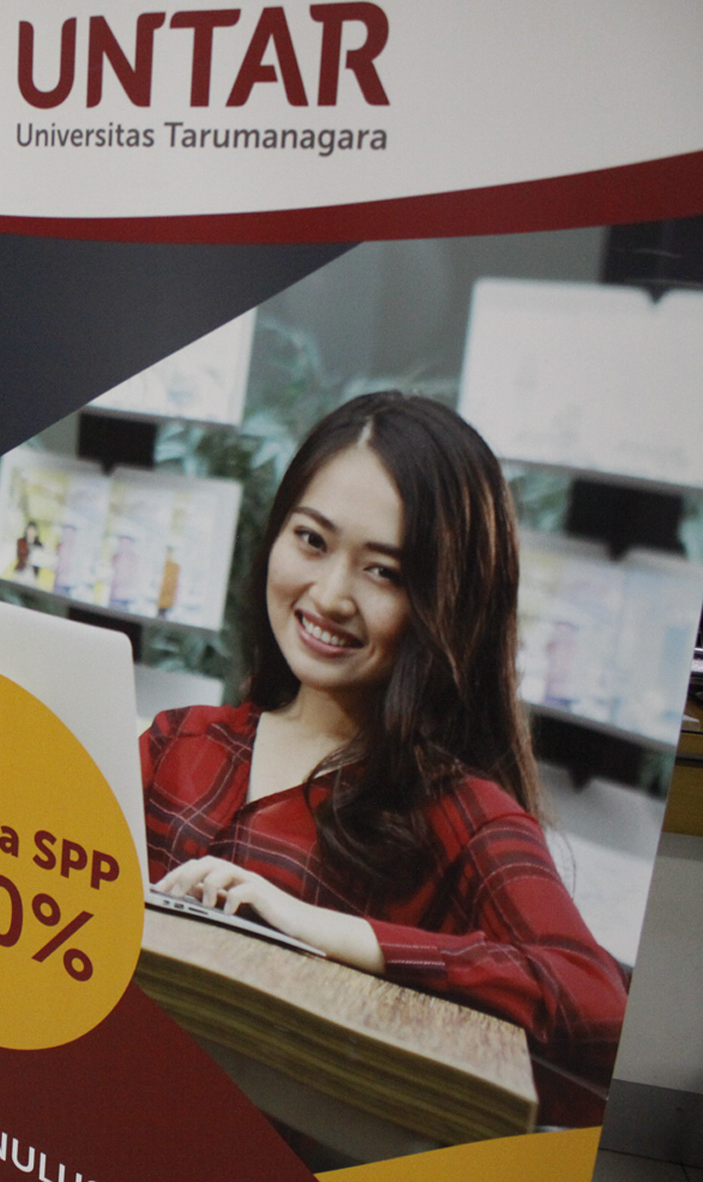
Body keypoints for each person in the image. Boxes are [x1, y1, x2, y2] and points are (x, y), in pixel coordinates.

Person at [140, 391, 627, 1124]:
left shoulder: (459, 810)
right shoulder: (180, 740)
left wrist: (325, 931)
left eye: (385, 572)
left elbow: (600, 1010)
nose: (330, 594)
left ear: (448, 602)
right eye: (311, 540)